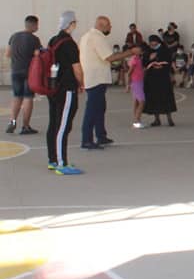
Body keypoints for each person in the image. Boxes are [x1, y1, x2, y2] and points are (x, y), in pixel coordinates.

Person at [78, 16, 141, 150]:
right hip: (97, 78)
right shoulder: (97, 37)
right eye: (109, 25)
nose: (110, 28)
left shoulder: (86, 36)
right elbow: (109, 57)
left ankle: (101, 135)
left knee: (99, 108)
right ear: (101, 26)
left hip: (92, 77)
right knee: (93, 109)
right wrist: (131, 52)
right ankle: (87, 140)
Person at [46, 11, 84, 175]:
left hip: (53, 87)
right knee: (63, 126)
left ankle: (53, 160)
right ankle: (62, 164)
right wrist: (81, 83)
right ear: (71, 24)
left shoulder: (53, 40)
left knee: (54, 124)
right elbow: (77, 68)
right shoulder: (69, 44)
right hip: (66, 88)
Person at [6, 15, 42, 135]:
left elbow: (8, 54)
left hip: (15, 71)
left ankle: (12, 121)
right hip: (28, 72)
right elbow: (38, 55)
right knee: (28, 97)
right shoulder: (34, 39)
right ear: (34, 25)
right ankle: (25, 126)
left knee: (17, 96)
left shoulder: (14, 36)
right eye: (37, 25)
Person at [143, 35, 178, 127]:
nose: (152, 44)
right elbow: (144, 63)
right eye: (150, 42)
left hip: (163, 78)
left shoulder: (165, 50)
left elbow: (169, 61)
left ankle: (169, 119)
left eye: (153, 42)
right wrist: (150, 59)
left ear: (158, 41)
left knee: (166, 97)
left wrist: (162, 66)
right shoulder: (148, 51)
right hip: (152, 78)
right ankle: (156, 119)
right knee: (154, 98)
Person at [128, 47, 147, 129]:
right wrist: (128, 84)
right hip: (136, 82)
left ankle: (137, 120)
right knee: (142, 101)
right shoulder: (135, 59)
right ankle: (136, 121)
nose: (140, 51)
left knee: (136, 101)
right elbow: (129, 72)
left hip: (139, 81)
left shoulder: (139, 59)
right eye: (139, 50)